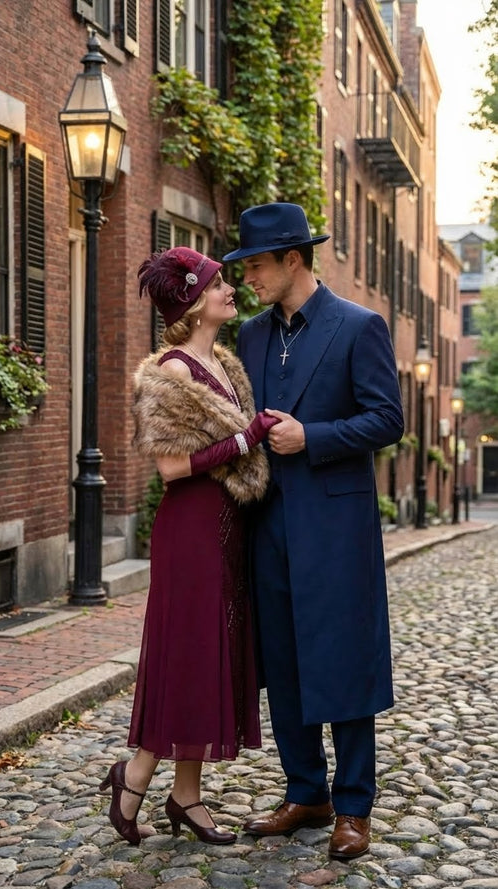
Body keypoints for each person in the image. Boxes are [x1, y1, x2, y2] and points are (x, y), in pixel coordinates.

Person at [222, 202, 404, 859]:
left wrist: (314, 437)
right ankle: (307, 791)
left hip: (337, 525)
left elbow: (388, 418)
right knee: (284, 661)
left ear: (293, 259)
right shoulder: (249, 335)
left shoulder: (360, 326)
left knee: (345, 660)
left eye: (259, 265)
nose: (250, 279)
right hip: (268, 523)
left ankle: (354, 806)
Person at [99, 246, 278, 846]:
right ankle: (140, 777)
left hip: (228, 528)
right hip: (192, 530)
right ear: (196, 303)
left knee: (209, 655)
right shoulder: (172, 370)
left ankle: (185, 795)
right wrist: (246, 438)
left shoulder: (225, 363)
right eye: (219, 284)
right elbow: (173, 467)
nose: (230, 289)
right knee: (188, 654)